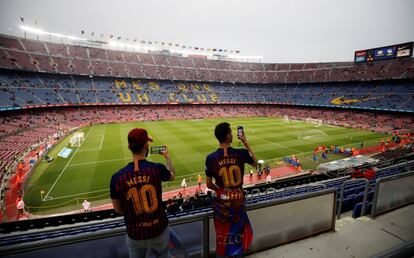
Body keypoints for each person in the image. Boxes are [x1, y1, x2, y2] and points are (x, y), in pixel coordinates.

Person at [110, 128, 175, 258]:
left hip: (135, 233)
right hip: (158, 229)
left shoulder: (117, 177)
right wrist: (167, 156)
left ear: (129, 146)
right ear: (146, 145)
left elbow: (118, 209)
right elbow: (172, 174)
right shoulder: (157, 169)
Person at [205, 122, 258, 258]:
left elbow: (209, 184)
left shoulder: (210, 158)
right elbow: (255, 163)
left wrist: (221, 190)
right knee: (237, 235)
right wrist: (245, 143)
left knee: (223, 234)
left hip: (222, 206)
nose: (233, 134)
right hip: (238, 203)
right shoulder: (241, 153)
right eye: (230, 132)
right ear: (228, 136)